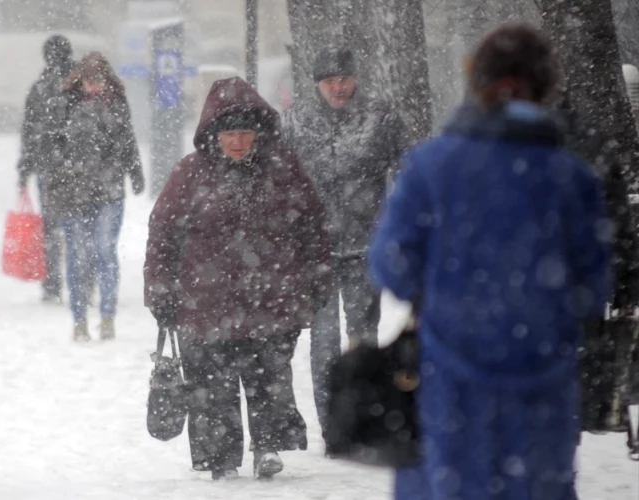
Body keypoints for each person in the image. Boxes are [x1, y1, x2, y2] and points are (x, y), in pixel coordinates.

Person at [368, 24, 613, 499]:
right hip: (543, 386)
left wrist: (442, 286)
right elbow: (595, 287)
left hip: (447, 379)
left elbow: (390, 266)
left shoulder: (430, 165)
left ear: (476, 83)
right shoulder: (572, 178)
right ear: (545, 89)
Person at [145, 77, 330, 480]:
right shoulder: (190, 174)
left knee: (269, 376)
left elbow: (313, 226)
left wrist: (318, 277)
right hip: (205, 302)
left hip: (272, 297)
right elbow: (162, 234)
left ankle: (267, 444)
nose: (238, 142)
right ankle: (218, 457)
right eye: (230, 133)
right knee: (211, 385)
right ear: (214, 134)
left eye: (246, 132)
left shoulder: (283, 171)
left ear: (259, 133)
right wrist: (160, 290)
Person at [281, 44, 410, 447]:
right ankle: (332, 427)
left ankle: (362, 422)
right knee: (322, 342)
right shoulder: (295, 122)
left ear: (355, 78)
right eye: (329, 81)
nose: (338, 87)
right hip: (314, 250)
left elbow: (408, 169)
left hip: (365, 246)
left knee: (363, 340)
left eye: (344, 78)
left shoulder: (381, 117)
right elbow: (277, 180)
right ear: (316, 84)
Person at [51, 52, 143, 341]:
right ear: (81, 79)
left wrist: (135, 171)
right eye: (90, 81)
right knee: (79, 256)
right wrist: (58, 176)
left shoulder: (116, 102)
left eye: (98, 81)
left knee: (105, 252)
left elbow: (127, 138)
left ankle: (107, 317)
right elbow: (53, 144)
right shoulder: (65, 103)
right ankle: (79, 320)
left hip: (108, 188)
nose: (94, 87)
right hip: (74, 189)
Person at [17, 35, 74, 304]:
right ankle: (82, 279)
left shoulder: (39, 88)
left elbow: (29, 133)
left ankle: (52, 283)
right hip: (78, 167)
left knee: (51, 227)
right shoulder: (78, 87)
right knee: (78, 226)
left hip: (48, 167)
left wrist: (24, 169)